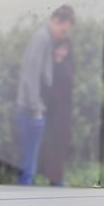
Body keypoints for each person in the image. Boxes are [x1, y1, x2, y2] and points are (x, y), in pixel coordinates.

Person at [14, 5, 74, 184]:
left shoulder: (46, 38)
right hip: (30, 112)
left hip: (33, 111)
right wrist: (36, 109)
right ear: (55, 21)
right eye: (63, 30)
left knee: (30, 166)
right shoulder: (41, 38)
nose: (63, 35)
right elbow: (30, 75)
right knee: (28, 169)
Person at [37, 36, 75, 186]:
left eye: (65, 49)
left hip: (61, 115)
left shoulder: (66, 67)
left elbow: (64, 94)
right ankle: (54, 180)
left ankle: (57, 180)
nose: (61, 52)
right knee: (49, 148)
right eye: (59, 48)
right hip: (49, 115)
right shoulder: (47, 67)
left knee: (59, 147)